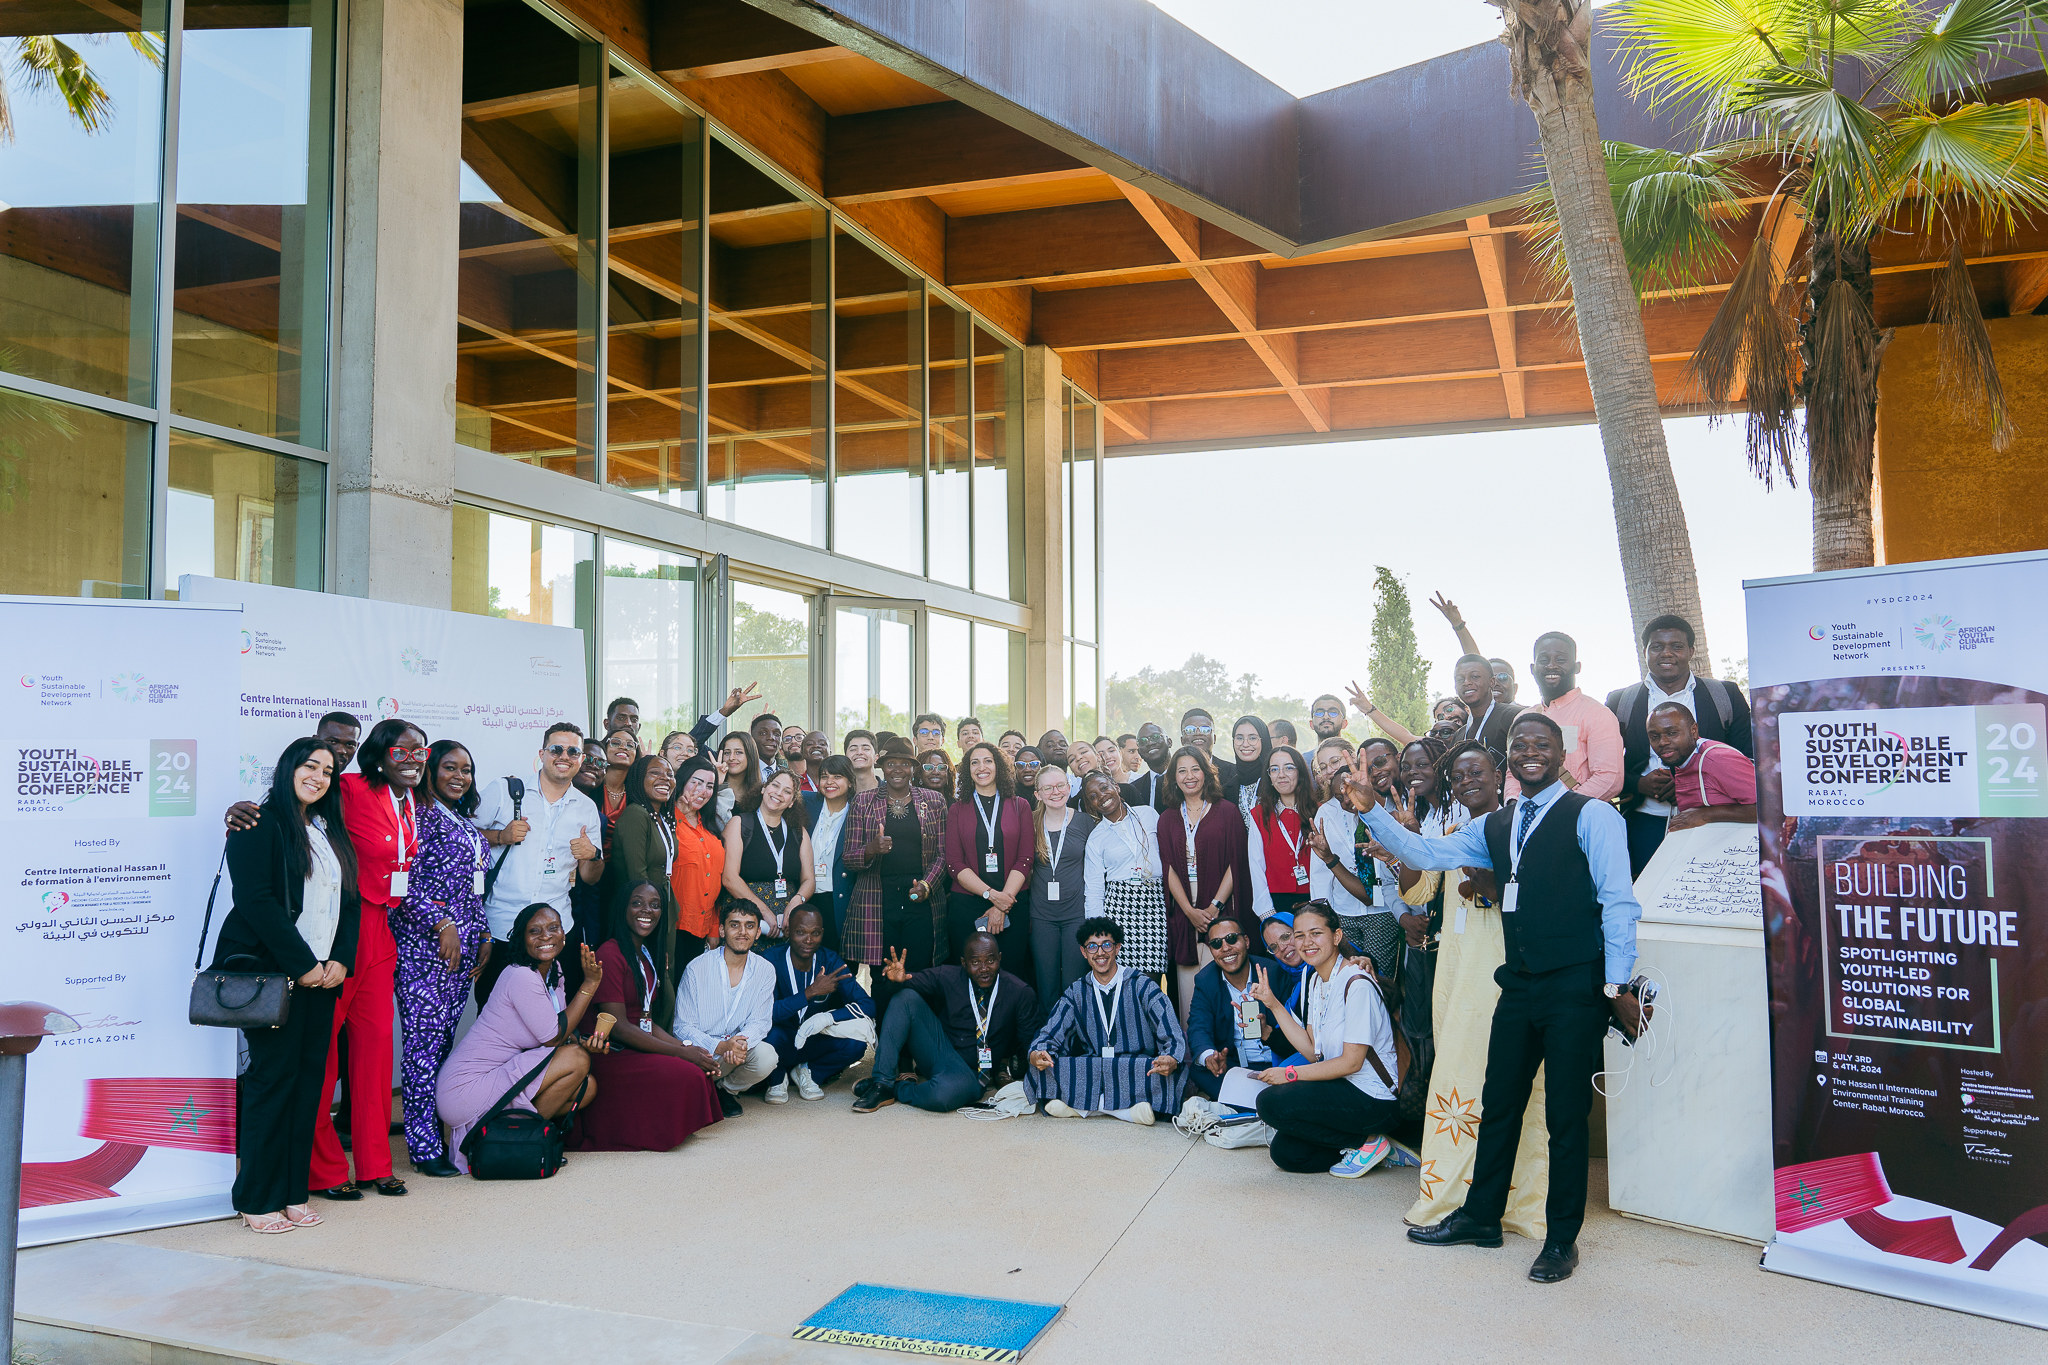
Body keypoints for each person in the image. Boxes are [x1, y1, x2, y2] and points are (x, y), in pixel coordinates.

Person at [1349, 712, 1646, 1284]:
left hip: (1574, 987)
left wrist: (1616, 985)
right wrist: (1371, 810)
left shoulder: (1594, 816)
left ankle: (1561, 1240)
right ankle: (1482, 1218)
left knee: (1564, 1117)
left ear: (1562, 757)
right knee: (1499, 1102)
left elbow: (1618, 904)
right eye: (1521, 745)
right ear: (1510, 761)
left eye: (1544, 744)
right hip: (1520, 983)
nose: (1532, 751)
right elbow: (1423, 852)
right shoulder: (1497, 824)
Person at [1404, 740, 1552, 1240]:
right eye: (1460, 775)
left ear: (1499, 775)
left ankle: (1519, 1205)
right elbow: (1416, 891)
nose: (1468, 780)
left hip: (1508, 975)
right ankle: (1450, 1197)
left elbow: (1536, 899)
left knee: (1515, 1090)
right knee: (1459, 1080)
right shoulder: (1449, 835)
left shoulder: (1521, 830)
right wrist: (1406, 839)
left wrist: (1485, 884)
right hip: (1457, 978)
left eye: (1477, 772)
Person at [219, 737, 359, 1233]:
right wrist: (302, 964)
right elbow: (256, 902)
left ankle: (293, 1193)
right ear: (287, 768)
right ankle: (257, 1198)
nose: (319, 776)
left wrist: (341, 959)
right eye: (310, 765)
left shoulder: (325, 829)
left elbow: (349, 901)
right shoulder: (258, 823)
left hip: (324, 977)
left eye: (328, 771)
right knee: (272, 1084)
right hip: (277, 976)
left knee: (307, 1087)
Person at [309, 717, 423, 1201]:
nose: (415, 758)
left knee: (376, 1053)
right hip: (340, 930)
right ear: (378, 755)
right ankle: (326, 1170)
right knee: (323, 1055)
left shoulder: (409, 801)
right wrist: (245, 811)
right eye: (403, 751)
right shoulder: (350, 786)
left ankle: (376, 1164)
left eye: (421, 750)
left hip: (382, 932)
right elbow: (292, 806)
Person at [390, 739, 490, 1179]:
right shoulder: (417, 815)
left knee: (442, 1045)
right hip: (423, 950)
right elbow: (400, 882)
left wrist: (482, 932)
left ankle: (434, 1128)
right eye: (449, 767)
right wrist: (441, 924)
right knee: (422, 1050)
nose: (459, 776)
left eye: (466, 769)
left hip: (462, 952)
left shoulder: (461, 819)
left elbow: (473, 886)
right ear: (430, 771)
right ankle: (422, 1146)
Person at [438, 904, 604, 1170]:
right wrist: (590, 984)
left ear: (564, 934)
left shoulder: (555, 971)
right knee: (576, 1059)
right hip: (464, 1087)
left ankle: (510, 1135)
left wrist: (582, 1039)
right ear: (520, 938)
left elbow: (560, 1029)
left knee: (587, 1086)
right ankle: (517, 1141)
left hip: (501, 1074)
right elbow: (552, 1037)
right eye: (534, 931)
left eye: (553, 928)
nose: (546, 936)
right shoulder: (520, 975)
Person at [1246, 900, 1403, 1176]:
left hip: (1372, 1098)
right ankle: (1374, 1151)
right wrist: (1272, 1004)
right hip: (1340, 1087)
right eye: (1300, 935)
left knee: (1270, 1103)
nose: (1307, 942)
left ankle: (1369, 1141)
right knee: (1286, 1153)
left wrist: (1290, 1075)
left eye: (1316, 933)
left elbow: (1352, 1063)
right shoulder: (1314, 980)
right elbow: (1311, 1052)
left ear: (1336, 936)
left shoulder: (1357, 983)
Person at [579, 881, 723, 1150]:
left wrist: (687, 1047)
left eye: (655, 905)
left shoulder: (644, 954)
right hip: (610, 1052)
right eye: (637, 903)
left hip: (634, 1041)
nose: (647, 910)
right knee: (687, 1073)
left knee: (697, 1066)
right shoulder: (609, 953)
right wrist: (681, 1053)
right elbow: (620, 1027)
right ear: (623, 907)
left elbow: (645, 1020)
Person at [1608, 614, 1755, 874]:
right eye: (1657, 646)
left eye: (1676, 646)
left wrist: (1690, 785)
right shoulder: (1621, 701)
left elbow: (1748, 760)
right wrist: (1640, 783)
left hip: (1713, 822)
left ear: (1691, 651)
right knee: (1645, 896)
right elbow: (1607, 766)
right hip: (1644, 821)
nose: (1667, 653)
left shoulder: (1725, 695)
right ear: (1645, 652)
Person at [474, 723, 603, 1007]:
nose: (564, 756)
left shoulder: (586, 808)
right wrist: (500, 836)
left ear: (581, 759)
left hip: (554, 933)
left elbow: (591, 877)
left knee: (548, 1019)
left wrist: (591, 855)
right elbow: (463, 836)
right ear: (542, 754)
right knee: (494, 1015)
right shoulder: (504, 791)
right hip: (502, 927)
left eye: (573, 751)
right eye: (557, 749)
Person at [1027, 918, 1185, 1124]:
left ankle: (1082, 1107)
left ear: (1117, 948)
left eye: (1106, 945)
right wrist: (1038, 1053)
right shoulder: (1076, 991)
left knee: (1169, 1070)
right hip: (1093, 1066)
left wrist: (1171, 1057)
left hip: (1136, 1066)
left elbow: (1172, 1032)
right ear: (1084, 952)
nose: (1099, 952)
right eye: (1092, 946)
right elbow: (1050, 1033)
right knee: (1041, 1065)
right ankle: (1128, 1112)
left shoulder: (1143, 985)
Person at [855, 935, 1037, 1113]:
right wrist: (895, 981)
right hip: (940, 1052)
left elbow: (1031, 1042)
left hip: (972, 1072)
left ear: (1000, 958)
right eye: (975, 962)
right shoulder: (948, 976)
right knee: (905, 998)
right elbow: (908, 983)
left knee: (942, 1096)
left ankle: (897, 1089)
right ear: (964, 963)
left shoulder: (1019, 992)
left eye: (990, 961)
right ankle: (882, 1084)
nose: (984, 969)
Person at [842, 736, 949, 1014]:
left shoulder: (934, 801)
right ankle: (887, 1048)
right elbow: (849, 858)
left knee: (919, 973)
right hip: (878, 900)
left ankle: (917, 1047)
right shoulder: (863, 801)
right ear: (882, 767)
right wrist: (871, 849)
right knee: (882, 976)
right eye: (891, 763)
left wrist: (926, 886)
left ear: (913, 768)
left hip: (920, 898)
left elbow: (943, 854)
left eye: (904, 763)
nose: (897, 769)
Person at [1155, 747, 1252, 1023]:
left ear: (1206, 772)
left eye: (1195, 769)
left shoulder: (1227, 812)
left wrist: (1214, 907)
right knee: (1189, 990)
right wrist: (1188, 910)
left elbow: (1237, 862)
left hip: (1221, 902)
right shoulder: (1167, 818)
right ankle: (1197, 1052)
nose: (1189, 776)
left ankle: (1235, 1048)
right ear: (1174, 778)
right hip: (1185, 909)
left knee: (1226, 978)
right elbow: (1169, 868)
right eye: (1182, 771)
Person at [1307, 737, 1402, 980]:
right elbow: (1320, 873)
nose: (1330, 770)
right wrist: (1325, 919)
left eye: (1335, 761)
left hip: (1384, 910)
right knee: (1351, 978)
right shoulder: (1327, 810)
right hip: (1343, 912)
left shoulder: (1383, 801)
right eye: (1323, 766)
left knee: (1379, 978)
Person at [757, 905, 874, 1102]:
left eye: (816, 933)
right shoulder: (770, 960)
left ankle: (809, 1072)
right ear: (788, 932)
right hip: (780, 1041)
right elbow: (765, 1014)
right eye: (800, 932)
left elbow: (867, 1005)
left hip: (813, 1039)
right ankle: (776, 1079)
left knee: (856, 1045)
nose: (809, 940)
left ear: (822, 933)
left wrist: (828, 1017)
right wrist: (810, 992)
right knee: (769, 1035)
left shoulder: (830, 961)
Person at [672, 900, 779, 1113]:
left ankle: (725, 1090)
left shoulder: (765, 970)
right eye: (734, 925)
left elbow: (760, 1022)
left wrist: (738, 1044)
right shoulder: (697, 968)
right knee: (683, 1084)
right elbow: (682, 1027)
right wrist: (721, 1046)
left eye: (749, 926)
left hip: (734, 1054)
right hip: (700, 1052)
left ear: (758, 932)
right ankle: (704, 1088)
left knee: (767, 1056)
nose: (742, 932)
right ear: (722, 930)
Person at [945, 741, 1034, 971]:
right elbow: (954, 863)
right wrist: (992, 896)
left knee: (1011, 974)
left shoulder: (1020, 806)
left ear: (999, 767)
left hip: (1013, 902)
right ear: (967, 770)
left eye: (988, 761)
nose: (981, 767)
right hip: (967, 905)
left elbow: (1025, 858)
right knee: (970, 976)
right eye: (974, 762)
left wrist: (1002, 903)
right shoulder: (957, 809)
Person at [1183, 914, 1288, 1104]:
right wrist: (1210, 1057)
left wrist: (1268, 1032)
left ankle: (1246, 1102)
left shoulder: (1272, 972)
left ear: (1246, 941)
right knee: (1199, 1069)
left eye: (1231, 939)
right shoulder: (1206, 980)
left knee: (1294, 1072)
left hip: (1276, 1062)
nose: (1225, 948)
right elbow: (1198, 1025)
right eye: (1216, 944)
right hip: (1234, 1065)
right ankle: (1262, 1102)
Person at [1082, 769, 1166, 980]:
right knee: (1124, 980)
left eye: (1104, 788)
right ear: (1090, 805)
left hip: (1155, 904)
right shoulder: (1096, 838)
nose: (1101, 797)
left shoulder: (1148, 814)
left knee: (1152, 979)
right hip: (1119, 908)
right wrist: (1097, 931)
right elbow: (1094, 889)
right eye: (1093, 796)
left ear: (1116, 787)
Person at [1526, 631, 1623, 801]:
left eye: (1560, 660)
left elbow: (1609, 778)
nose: (1551, 665)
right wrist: (1513, 803)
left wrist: (1562, 809)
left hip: (1576, 818)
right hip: (1527, 819)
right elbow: (1513, 774)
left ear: (1577, 667)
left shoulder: (1597, 714)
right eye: (1544, 660)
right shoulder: (1523, 717)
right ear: (1533, 668)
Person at [1029, 763, 1094, 1017]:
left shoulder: (1085, 822)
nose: (1055, 792)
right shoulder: (1030, 823)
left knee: (1074, 984)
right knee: (1046, 986)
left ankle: (1074, 1048)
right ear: (1038, 794)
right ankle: (1048, 1045)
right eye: (1048, 788)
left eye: (1060, 786)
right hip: (1041, 916)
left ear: (1069, 788)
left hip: (1076, 916)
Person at [723, 768, 813, 941]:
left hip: (787, 924)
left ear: (792, 802)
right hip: (747, 920)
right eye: (775, 786)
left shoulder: (798, 832)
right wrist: (762, 911)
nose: (779, 793)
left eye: (787, 791)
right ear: (764, 788)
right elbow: (729, 878)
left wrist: (796, 902)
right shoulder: (740, 824)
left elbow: (809, 880)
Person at [1649, 702, 1758, 832]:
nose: (1662, 742)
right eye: (1654, 737)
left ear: (1693, 731)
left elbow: (1770, 809)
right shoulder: (1678, 760)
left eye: (1672, 733)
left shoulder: (1717, 760)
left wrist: (1705, 814)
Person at [606, 754, 678, 952]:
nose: (665, 778)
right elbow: (638, 876)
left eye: (670, 774)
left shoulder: (662, 817)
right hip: (641, 915)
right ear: (638, 779)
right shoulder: (636, 814)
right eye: (655, 773)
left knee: (664, 973)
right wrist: (651, 912)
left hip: (661, 909)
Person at [1247, 744, 1316, 922]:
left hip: (1316, 899)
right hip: (1276, 903)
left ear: (1300, 772)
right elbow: (1256, 867)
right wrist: (1269, 916)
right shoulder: (1259, 815)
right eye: (1274, 769)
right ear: (1269, 776)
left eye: (1289, 768)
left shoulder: (1319, 812)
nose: (1281, 774)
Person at [670, 756, 725, 968]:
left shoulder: (711, 828)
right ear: (681, 781)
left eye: (710, 786)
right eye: (696, 782)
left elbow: (715, 882)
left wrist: (713, 928)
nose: (703, 791)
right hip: (674, 928)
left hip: (703, 930)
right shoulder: (666, 822)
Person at [801, 754, 857, 952]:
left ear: (850, 782)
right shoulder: (806, 803)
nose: (830, 782)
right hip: (804, 896)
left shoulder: (858, 813)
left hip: (838, 899)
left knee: (836, 960)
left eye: (837, 776)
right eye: (825, 776)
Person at [1449, 652, 1523, 755]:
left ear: (1492, 682)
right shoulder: (1459, 736)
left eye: (1474, 676)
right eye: (1460, 679)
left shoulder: (1514, 717)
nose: (1466, 682)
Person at [595, 729, 640, 853]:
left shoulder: (638, 794)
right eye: (615, 743)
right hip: (591, 864)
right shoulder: (591, 787)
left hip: (625, 866)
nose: (623, 747)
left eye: (630, 745)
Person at [1225, 716, 1272, 814]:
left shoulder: (1276, 782)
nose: (1245, 744)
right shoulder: (1226, 790)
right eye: (1239, 738)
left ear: (1264, 741)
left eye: (1253, 738)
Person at [1120, 721, 1171, 811]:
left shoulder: (1188, 779)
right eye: (1143, 741)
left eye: (1155, 737)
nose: (1150, 743)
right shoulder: (1134, 789)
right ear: (1140, 752)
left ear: (1169, 742)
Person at [715, 730, 764, 823]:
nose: (731, 758)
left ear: (750, 755)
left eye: (738, 752)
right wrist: (717, 785)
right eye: (727, 753)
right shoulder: (711, 790)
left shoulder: (761, 795)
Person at [780, 727, 816, 794]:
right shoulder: (778, 781)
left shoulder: (820, 779)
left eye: (799, 738)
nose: (794, 741)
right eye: (787, 739)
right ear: (781, 751)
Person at [844, 728, 880, 793]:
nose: (859, 752)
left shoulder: (890, 792)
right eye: (853, 749)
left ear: (876, 757)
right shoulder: (840, 794)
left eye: (866, 749)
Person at [1010, 744, 1044, 810]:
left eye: (1034, 764)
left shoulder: (1052, 793)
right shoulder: (1008, 796)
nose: (1027, 770)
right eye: (1020, 765)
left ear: (1042, 766)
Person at [750, 712, 783, 779]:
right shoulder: (742, 773)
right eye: (763, 733)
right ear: (752, 738)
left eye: (776, 734)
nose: (771, 737)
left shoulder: (787, 776)